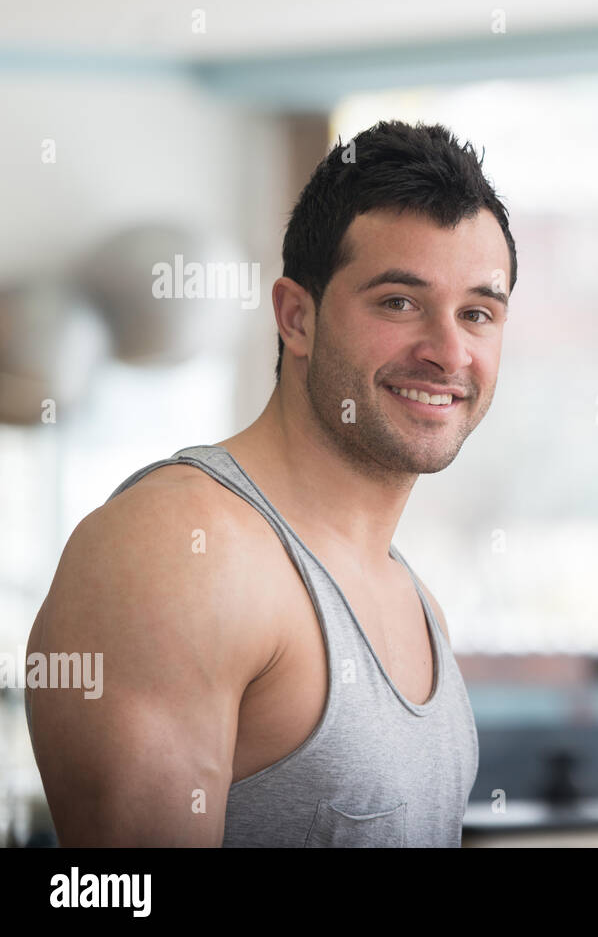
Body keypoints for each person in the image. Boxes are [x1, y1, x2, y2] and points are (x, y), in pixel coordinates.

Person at [25, 120, 516, 846]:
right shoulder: (178, 552)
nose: (447, 351)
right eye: (398, 302)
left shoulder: (418, 606)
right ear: (297, 317)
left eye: (477, 313)